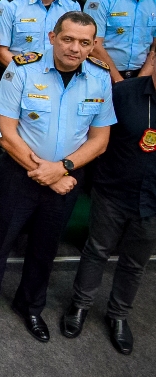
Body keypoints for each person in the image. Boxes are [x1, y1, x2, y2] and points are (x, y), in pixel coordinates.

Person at [0, 12, 115, 342]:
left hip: (66, 177)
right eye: (68, 39)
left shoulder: (99, 77)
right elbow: (4, 132)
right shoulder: (22, 68)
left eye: (84, 42)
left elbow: (100, 139)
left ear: (93, 46)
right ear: (52, 37)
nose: (75, 48)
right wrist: (44, 171)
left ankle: (30, 306)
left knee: (46, 246)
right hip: (18, 173)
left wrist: (61, 169)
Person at [61, 67, 156, 355]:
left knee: (135, 263)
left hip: (153, 201)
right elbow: (98, 138)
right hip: (113, 191)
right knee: (97, 250)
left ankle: (118, 315)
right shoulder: (123, 93)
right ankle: (80, 305)